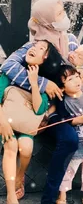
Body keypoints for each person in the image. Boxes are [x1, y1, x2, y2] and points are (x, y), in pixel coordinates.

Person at [1, 0, 83, 204]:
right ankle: (50, 197)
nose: (65, 17)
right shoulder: (34, 46)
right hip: (57, 111)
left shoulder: (69, 38)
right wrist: (44, 83)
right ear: (46, 21)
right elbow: (8, 66)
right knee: (69, 140)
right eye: (59, 14)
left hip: (82, 105)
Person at [0, 40, 62, 204]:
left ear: (46, 60)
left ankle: (20, 176)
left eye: (41, 49)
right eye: (34, 46)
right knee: (11, 145)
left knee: (26, 148)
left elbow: (39, 110)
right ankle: (11, 194)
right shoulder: (10, 74)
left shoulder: (42, 81)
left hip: (25, 125)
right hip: (6, 121)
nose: (33, 48)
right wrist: (3, 123)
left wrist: (35, 83)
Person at [54, 64, 83, 204]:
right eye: (70, 79)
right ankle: (62, 195)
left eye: (77, 77)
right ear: (62, 87)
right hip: (76, 146)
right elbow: (63, 119)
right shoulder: (63, 101)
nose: (76, 81)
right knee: (68, 170)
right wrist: (77, 120)